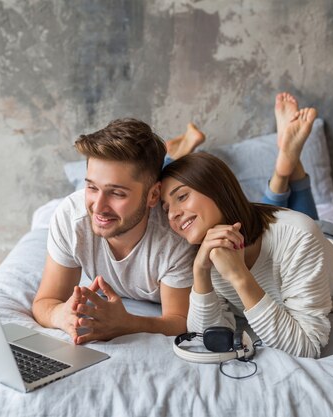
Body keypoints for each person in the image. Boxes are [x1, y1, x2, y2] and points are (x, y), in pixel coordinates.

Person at [160, 93, 333, 358]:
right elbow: (205, 337)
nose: (173, 214)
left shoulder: (298, 235)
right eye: (166, 209)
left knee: (304, 225)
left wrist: (239, 276)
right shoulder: (201, 251)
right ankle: (284, 165)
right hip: (268, 224)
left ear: (216, 190)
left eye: (182, 196)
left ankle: (286, 168)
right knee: (262, 217)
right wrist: (200, 273)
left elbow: (308, 346)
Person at [32, 118, 204, 345]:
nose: (99, 207)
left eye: (117, 193)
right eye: (91, 187)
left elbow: (179, 321)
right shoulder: (71, 216)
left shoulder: (175, 236)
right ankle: (176, 152)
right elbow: (45, 302)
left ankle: (181, 152)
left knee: (187, 180)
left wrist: (128, 324)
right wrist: (60, 315)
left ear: (153, 195)